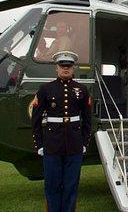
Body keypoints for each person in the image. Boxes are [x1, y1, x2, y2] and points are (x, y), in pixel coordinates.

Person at [31, 51, 92, 211]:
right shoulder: (45, 89)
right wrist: (39, 145)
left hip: (74, 145)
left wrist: (84, 142)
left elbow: (87, 119)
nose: (65, 68)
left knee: (71, 185)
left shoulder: (82, 89)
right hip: (52, 145)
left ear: (73, 68)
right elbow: (36, 120)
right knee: (52, 185)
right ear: (56, 68)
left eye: (69, 66)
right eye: (62, 66)